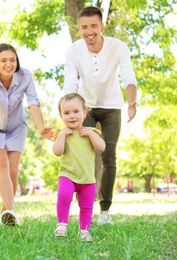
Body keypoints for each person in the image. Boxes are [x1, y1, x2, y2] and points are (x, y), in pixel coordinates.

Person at [63, 6, 138, 225]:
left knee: (108, 155)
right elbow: (70, 81)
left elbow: (128, 75)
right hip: (85, 106)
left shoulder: (118, 47)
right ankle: (84, 209)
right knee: (82, 154)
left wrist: (131, 102)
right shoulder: (73, 50)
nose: (89, 31)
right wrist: (68, 111)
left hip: (112, 106)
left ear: (101, 27)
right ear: (79, 29)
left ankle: (105, 211)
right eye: (84, 27)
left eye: (94, 26)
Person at [0, 43, 54, 226]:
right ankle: (11, 211)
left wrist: (40, 127)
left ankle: (5, 211)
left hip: (17, 126)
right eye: (3, 60)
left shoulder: (25, 76)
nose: (8, 64)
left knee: (13, 170)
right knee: (1, 162)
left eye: (12, 60)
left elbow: (33, 102)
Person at [52, 93, 106, 242]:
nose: (72, 116)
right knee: (64, 195)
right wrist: (62, 135)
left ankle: (84, 230)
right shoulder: (62, 133)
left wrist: (90, 134)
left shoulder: (91, 132)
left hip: (87, 178)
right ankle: (62, 224)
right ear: (61, 116)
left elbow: (101, 147)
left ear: (84, 112)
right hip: (67, 175)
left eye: (76, 111)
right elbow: (57, 151)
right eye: (66, 113)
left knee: (87, 206)